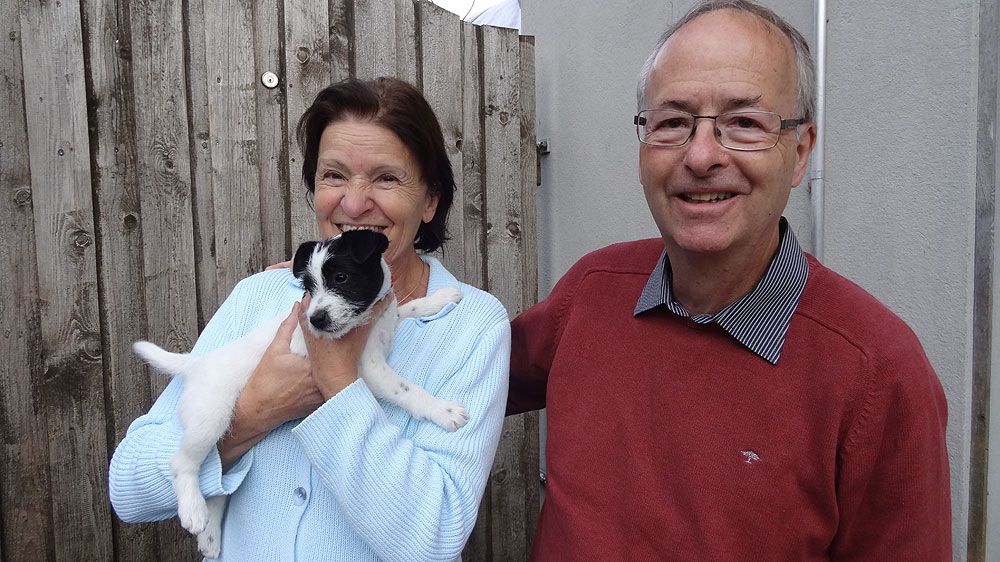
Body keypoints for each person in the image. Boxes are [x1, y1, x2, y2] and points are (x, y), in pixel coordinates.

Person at [506, 1, 952, 560]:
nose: (701, 156)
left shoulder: (878, 373)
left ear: (800, 151)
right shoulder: (593, 292)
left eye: (744, 123)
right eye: (672, 122)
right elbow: (455, 377)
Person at [109, 77, 511, 561]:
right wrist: (252, 413)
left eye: (386, 178)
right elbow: (128, 490)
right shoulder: (258, 296)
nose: (354, 203)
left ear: (430, 199)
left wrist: (337, 382)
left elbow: (434, 540)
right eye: (334, 175)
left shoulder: (472, 326)